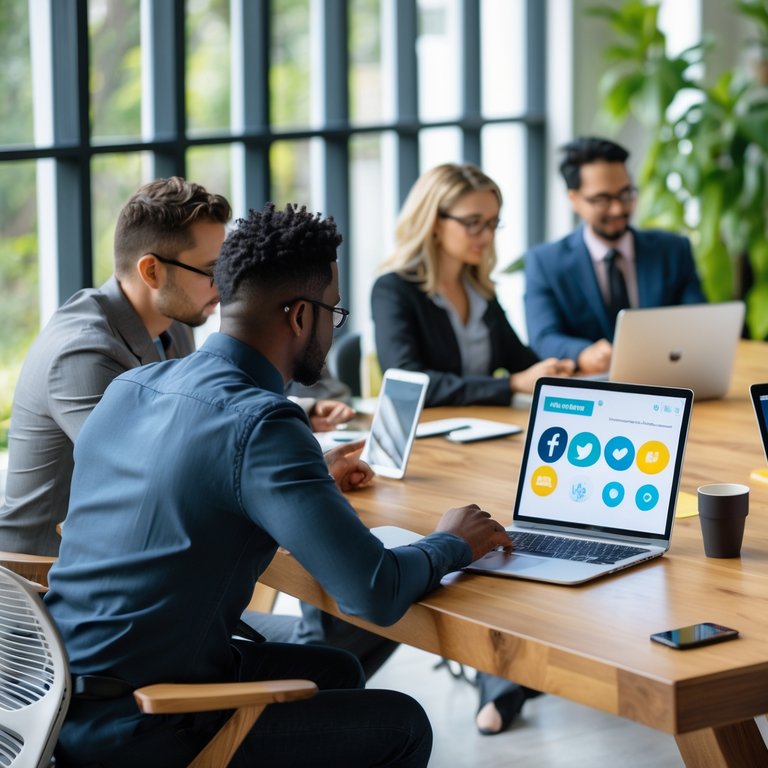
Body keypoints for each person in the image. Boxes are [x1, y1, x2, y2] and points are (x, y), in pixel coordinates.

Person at [44, 203, 513, 767]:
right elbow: (373, 592)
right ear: (298, 317)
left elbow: (204, 491)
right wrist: (452, 541)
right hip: (139, 724)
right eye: (332, 313)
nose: (331, 328)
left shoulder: (135, 384)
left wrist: (311, 484)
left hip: (63, 690)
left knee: (336, 669)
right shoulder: (264, 421)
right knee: (402, 723)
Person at [0, 178, 354, 557]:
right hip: (47, 579)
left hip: (129, 554)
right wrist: (293, 482)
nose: (226, 285)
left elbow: (189, 413)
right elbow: (154, 476)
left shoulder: (175, 323)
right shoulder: (83, 353)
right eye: (210, 271)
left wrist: (303, 412)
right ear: (152, 271)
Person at [372, 163, 572, 406]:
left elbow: (520, 361)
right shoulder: (393, 290)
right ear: (435, 222)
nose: (487, 236)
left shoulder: (479, 290)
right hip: (430, 433)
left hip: (484, 426)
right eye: (473, 222)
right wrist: (511, 384)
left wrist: (562, 367)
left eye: (492, 223)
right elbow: (407, 383)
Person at [523, 136, 705, 373]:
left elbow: (697, 322)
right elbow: (543, 336)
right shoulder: (545, 262)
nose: (618, 209)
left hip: (667, 378)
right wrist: (582, 353)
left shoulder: (673, 250)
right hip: (593, 387)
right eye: (602, 199)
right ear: (574, 200)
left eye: (625, 194)